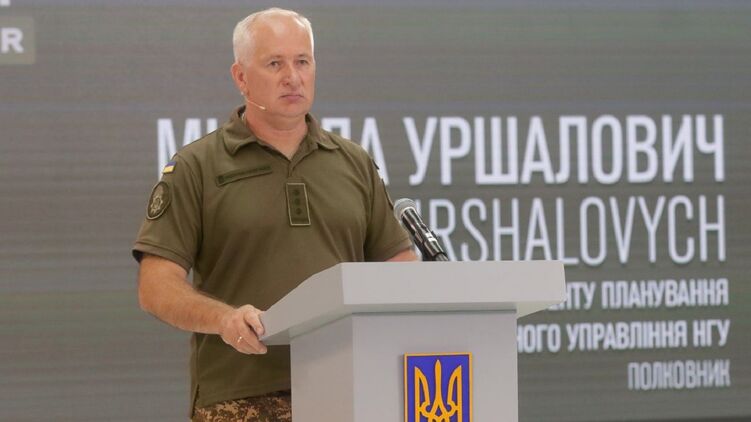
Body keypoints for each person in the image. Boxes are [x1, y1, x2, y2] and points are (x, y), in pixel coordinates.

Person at [132, 7, 417, 422]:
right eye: (274, 64)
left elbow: (399, 264)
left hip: (347, 390)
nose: (293, 77)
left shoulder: (352, 162)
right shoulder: (198, 166)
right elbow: (155, 287)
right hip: (239, 398)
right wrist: (224, 319)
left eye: (303, 61)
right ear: (241, 77)